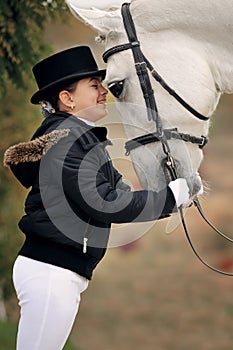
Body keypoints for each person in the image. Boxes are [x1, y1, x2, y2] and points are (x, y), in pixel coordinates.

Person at [4, 46, 190, 350]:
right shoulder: (67, 143)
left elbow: (119, 192)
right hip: (51, 272)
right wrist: (170, 198)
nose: (104, 92)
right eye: (94, 85)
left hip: (59, 270)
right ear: (67, 98)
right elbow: (105, 203)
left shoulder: (82, 141)